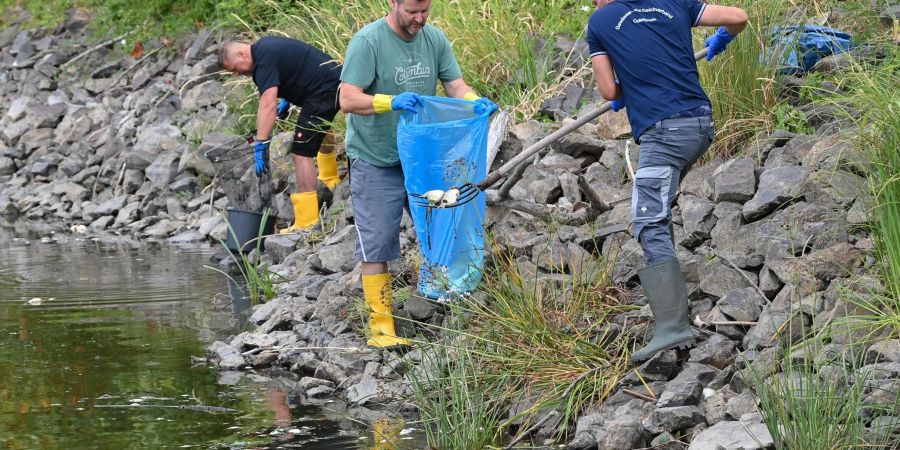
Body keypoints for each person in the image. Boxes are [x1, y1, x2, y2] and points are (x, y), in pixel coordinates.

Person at [587, 0, 748, 363]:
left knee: (647, 218)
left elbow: (609, 92)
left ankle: (673, 328)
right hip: (699, 125)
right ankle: (675, 317)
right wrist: (722, 38)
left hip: (664, 136)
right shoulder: (675, 1)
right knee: (657, 208)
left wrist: (628, 86)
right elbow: (738, 17)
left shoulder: (600, 22)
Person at [338, 0, 497, 349]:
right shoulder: (368, 42)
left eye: (425, 10)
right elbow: (347, 99)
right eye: (412, 11)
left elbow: (455, 85)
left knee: (445, 224)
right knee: (377, 243)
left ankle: (449, 304)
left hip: (422, 158)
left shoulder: (434, 39)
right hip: (375, 158)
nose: (420, 19)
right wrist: (390, 102)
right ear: (392, 3)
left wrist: (475, 101)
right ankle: (381, 331)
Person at [218, 36, 342, 233]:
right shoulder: (266, 46)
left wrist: (260, 144)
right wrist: (287, 99)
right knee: (319, 128)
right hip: (335, 78)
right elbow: (295, 66)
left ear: (241, 54)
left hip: (322, 90)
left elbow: (267, 104)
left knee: (301, 152)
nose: (236, 74)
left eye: (234, 68)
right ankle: (331, 178)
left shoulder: (262, 63)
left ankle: (307, 221)